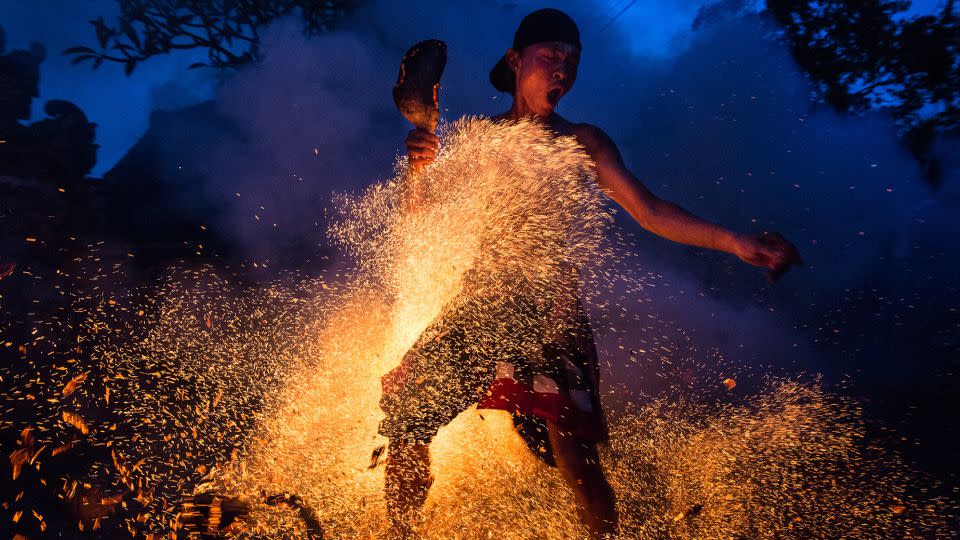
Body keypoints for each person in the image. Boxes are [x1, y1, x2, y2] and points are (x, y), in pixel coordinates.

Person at [384, 8, 801, 538]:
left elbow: (649, 210)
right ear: (516, 61)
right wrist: (417, 170)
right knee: (405, 416)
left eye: (572, 61)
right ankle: (397, 532)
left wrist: (734, 241)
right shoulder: (477, 139)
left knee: (575, 457)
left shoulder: (582, 142)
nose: (563, 69)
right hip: (480, 306)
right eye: (551, 56)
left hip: (551, 313)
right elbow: (419, 220)